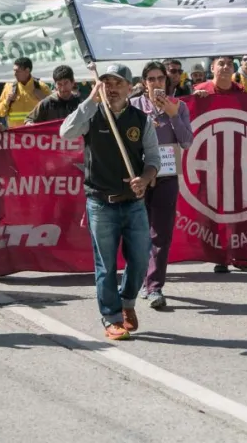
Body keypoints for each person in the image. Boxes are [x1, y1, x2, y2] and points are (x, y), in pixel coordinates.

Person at [60, 64, 160, 341]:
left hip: (133, 202)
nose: (111, 88)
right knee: (105, 265)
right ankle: (112, 318)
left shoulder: (141, 120)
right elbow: (66, 133)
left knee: (140, 259)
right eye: (106, 83)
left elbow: (153, 159)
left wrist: (145, 177)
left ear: (130, 87)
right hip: (100, 203)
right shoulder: (92, 115)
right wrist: (89, 102)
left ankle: (128, 301)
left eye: (117, 83)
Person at [194, 55, 247, 272]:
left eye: (229, 64)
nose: (225, 67)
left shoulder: (242, 93)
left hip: (238, 161)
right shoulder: (200, 91)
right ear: (212, 68)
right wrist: (195, 100)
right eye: (220, 63)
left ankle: (240, 257)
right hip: (208, 161)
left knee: (241, 210)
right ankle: (218, 257)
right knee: (211, 211)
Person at [130, 62, 193, 309]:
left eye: (161, 79)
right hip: (139, 178)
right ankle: (140, 280)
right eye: (151, 79)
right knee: (138, 233)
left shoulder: (180, 107)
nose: (157, 83)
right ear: (144, 83)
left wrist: (173, 114)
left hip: (166, 177)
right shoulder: (133, 106)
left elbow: (187, 142)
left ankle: (155, 286)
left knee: (161, 234)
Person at [0, 57, 51, 129]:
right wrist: (7, 101)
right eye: (14, 71)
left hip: (36, 134)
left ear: (27, 71)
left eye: (17, 71)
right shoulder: (9, 86)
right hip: (15, 134)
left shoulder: (42, 87)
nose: (14, 74)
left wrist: (44, 99)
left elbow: (54, 112)